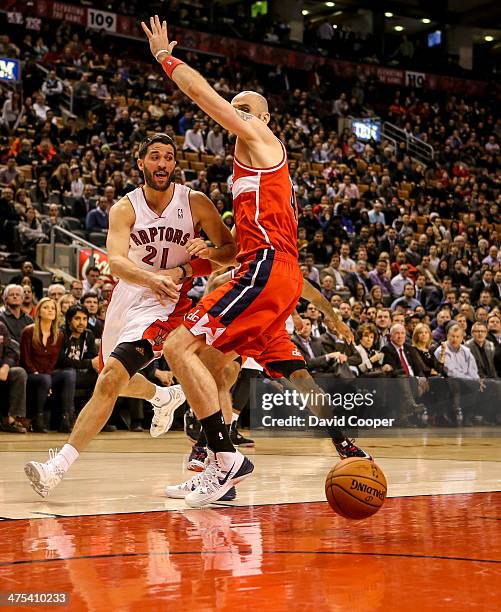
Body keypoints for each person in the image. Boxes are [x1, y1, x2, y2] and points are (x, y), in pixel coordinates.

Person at [139, 16, 370, 508]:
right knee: (218, 365)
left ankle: (222, 461)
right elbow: (246, 247)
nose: (237, 114)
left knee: (180, 348)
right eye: (238, 109)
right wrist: (214, 255)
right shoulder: (248, 169)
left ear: (264, 120)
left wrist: (165, 58)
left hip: (266, 271)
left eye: (246, 109)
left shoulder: (263, 144)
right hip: (270, 274)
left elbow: (204, 97)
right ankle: (331, 447)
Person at [24, 132, 236, 497]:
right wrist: (149, 277)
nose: (163, 164)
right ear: (141, 163)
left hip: (167, 304)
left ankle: (56, 468)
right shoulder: (125, 208)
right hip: (127, 297)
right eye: (155, 157)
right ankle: (161, 396)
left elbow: (231, 251)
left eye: (169, 157)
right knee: (115, 380)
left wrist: (197, 260)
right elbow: (117, 263)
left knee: (109, 379)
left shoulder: (195, 202)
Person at [20, 298, 76, 433]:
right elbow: (25, 359)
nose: (50, 310)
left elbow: (53, 360)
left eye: (53, 308)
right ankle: (37, 419)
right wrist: (38, 373)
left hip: (48, 374)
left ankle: (65, 418)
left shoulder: (59, 334)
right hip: (31, 374)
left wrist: (48, 377)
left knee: (69, 373)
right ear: (39, 312)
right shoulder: (29, 331)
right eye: (46, 307)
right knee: (45, 379)